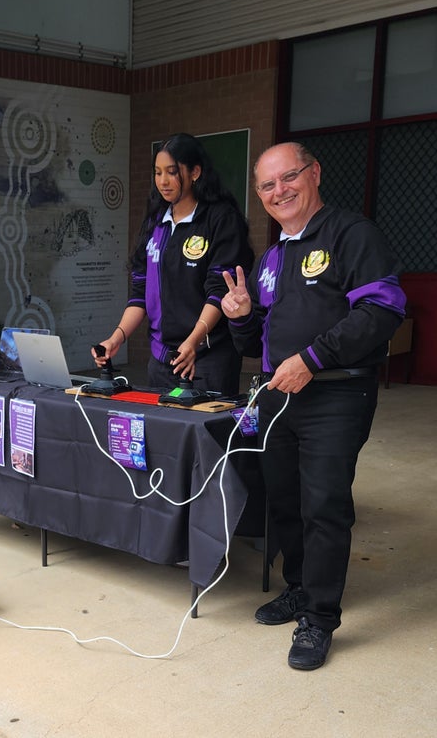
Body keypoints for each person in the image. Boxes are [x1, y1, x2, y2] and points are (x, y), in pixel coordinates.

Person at [221, 142, 407, 670]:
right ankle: (301, 587)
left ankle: (320, 619)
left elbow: (384, 308)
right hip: (280, 396)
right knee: (286, 501)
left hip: (337, 392)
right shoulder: (275, 254)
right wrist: (239, 315)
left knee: (324, 505)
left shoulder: (352, 234)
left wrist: (313, 357)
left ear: (315, 173)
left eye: (289, 178)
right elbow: (255, 344)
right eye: (267, 186)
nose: (279, 191)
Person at [92, 133, 254, 394]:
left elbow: (219, 291)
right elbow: (139, 295)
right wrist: (116, 338)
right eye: (157, 173)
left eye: (171, 172)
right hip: (161, 360)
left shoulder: (220, 219)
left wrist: (192, 342)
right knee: (163, 431)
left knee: (204, 432)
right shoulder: (155, 222)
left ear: (195, 172)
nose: (163, 182)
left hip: (206, 358)